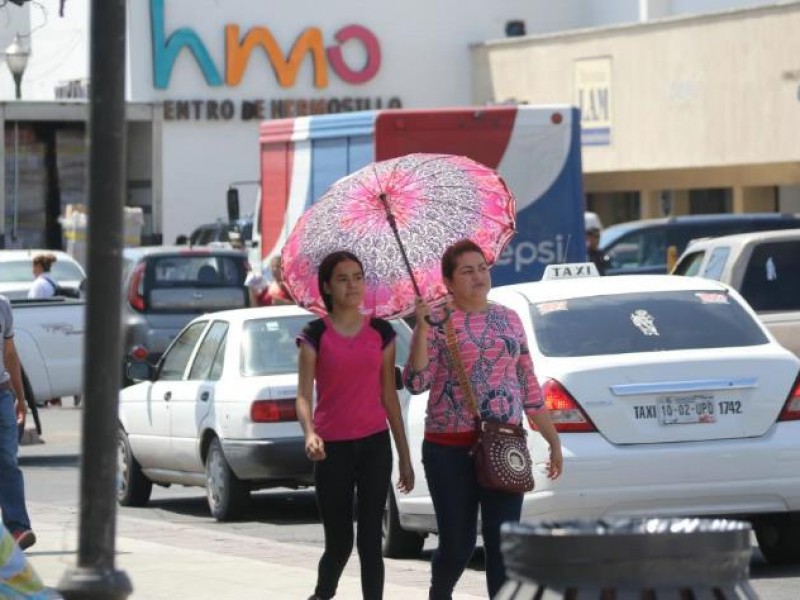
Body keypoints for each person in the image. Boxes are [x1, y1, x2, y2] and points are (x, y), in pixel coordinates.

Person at [405, 239, 562, 599]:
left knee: (503, 542)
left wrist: (552, 439)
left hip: (504, 445)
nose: (478, 276)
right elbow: (417, 383)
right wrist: (423, 330)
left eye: (482, 268)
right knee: (457, 545)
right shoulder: (436, 321)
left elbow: (527, 380)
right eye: (467, 271)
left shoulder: (509, 317)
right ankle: (439, 591)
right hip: (449, 450)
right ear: (448, 281)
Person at [296, 251, 414, 600]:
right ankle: (321, 595)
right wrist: (310, 433)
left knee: (370, 543)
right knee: (340, 543)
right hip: (332, 448)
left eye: (358, 276)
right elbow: (303, 396)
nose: (352, 284)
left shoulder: (381, 331)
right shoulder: (314, 333)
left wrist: (404, 456)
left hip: (375, 445)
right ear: (328, 287)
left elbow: (390, 398)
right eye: (343, 278)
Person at [0, 295, 36, 551]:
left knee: (8, 462)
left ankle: (18, 529)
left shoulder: (3, 304)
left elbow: (10, 353)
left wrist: (20, 398)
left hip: (2, 393)